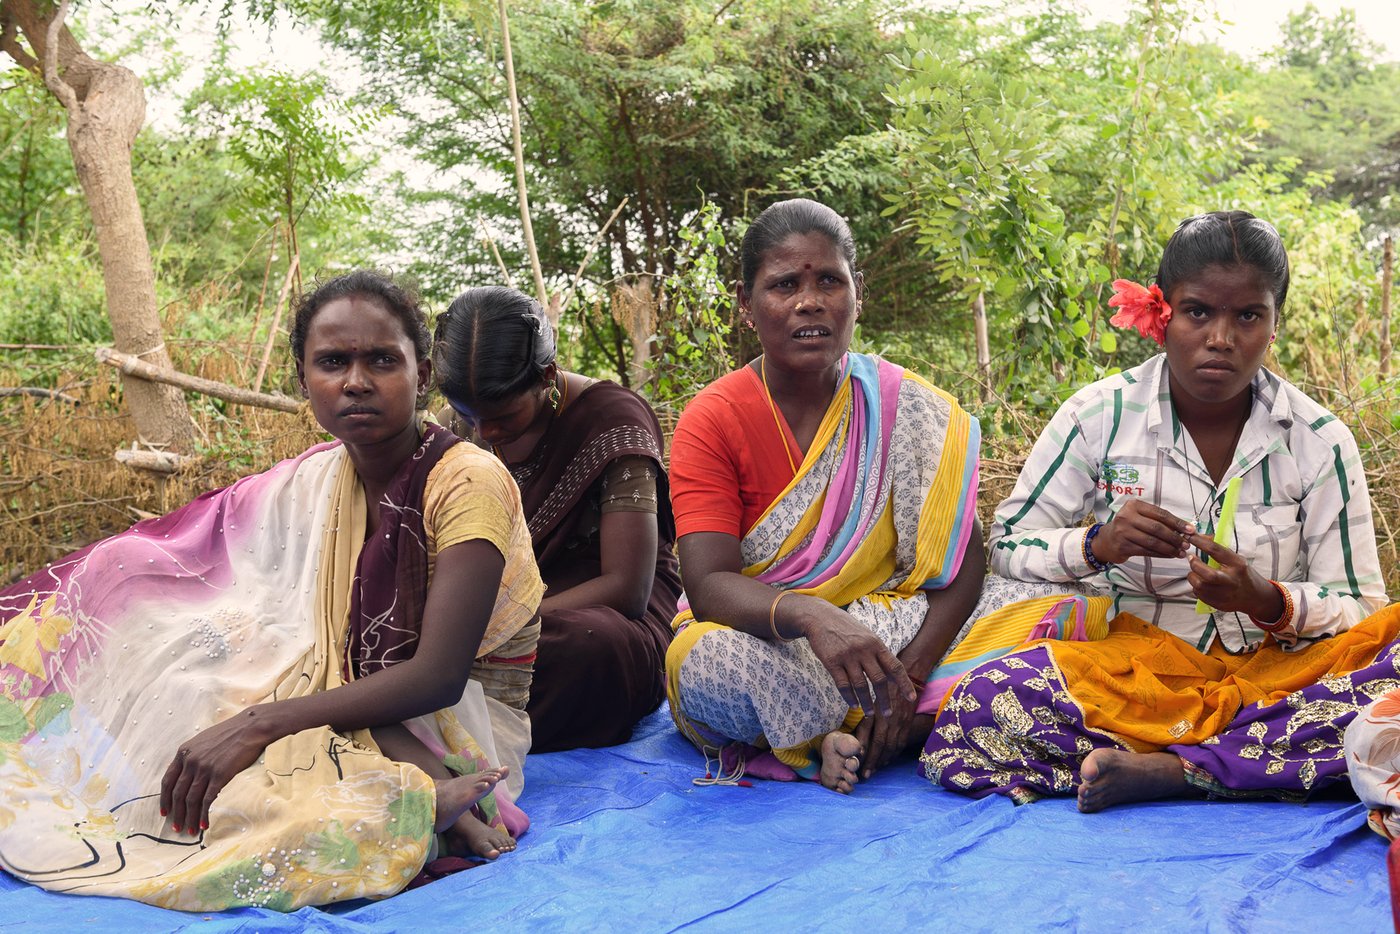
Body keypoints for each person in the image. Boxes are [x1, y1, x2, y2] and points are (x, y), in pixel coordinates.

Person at [0, 271, 544, 910]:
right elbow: (226, 569)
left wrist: (259, 722)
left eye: (382, 361)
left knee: (251, 794)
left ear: (423, 373)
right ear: (303, 378)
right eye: (333, 362)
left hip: (454, 714)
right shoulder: (322, 476)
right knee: (185, 695)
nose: (356, 382)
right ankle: (419, 804)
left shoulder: (466, 482)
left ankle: (420, 799)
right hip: (351, 694)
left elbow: (437, 679)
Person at [923, 211, 1395, 811]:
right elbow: (1008, 545)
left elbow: (1363, 608)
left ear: (1274, 327)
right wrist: (1097, 544)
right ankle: (1240, 763)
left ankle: (1171, 771)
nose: (1221, 337)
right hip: (1133, 673)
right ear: (1160, 313)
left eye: (1248, 316)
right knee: (984, 702)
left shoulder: (1319, 440)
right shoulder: (1096, 417)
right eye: (1198, 311)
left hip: (1279, 676)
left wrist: (1270, 602)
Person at [664, 198, 1096, 794]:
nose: (809, 302)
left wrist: (912, 672)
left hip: (891, 627)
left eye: (829, 282)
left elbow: (965, 557)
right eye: (784, 284)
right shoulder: (713, 420)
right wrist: (814, 616)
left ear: (856, 293)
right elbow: (710, 585)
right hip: (777, 640)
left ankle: (879, 722)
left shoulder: (903, 405)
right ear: (746, 305)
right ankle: (913, 723)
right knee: (716, 666)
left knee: (1065, 602)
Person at [434, 286, 681, 752]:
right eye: (470, 416)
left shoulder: (613, 421)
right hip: (484, 613)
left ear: (547, 375)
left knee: (593, 650)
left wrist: (498, 628)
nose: (485, 432)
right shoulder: (460, 423)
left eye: (503, 416)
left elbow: (628, 590)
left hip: (589, 616)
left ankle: (445, 727)